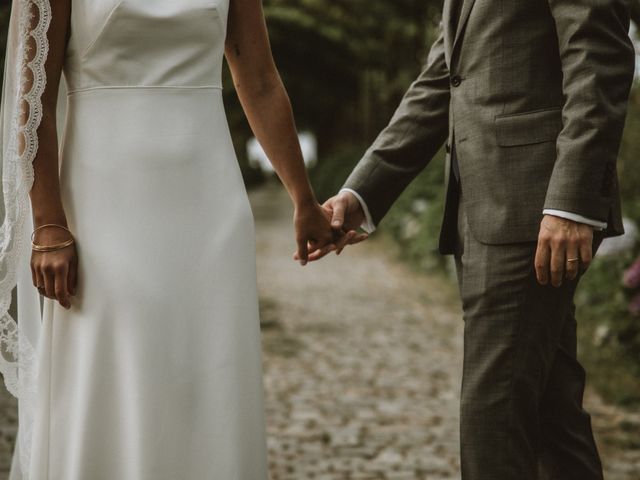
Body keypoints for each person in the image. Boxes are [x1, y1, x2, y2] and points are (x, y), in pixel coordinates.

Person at [0, 0, 341, 478]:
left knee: (209, 380)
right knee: (115, 374)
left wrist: (303, 199)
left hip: (210, 209)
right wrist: (48, 224)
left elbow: (260, 80)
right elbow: (33, 103)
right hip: (103, 208)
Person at [312, 1, 636, 478]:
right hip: (483, 208)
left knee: (494, 419)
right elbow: (444, 80)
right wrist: (360, 194)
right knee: (550, 416)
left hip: (534, 209)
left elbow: (598, 55)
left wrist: (571, 202)